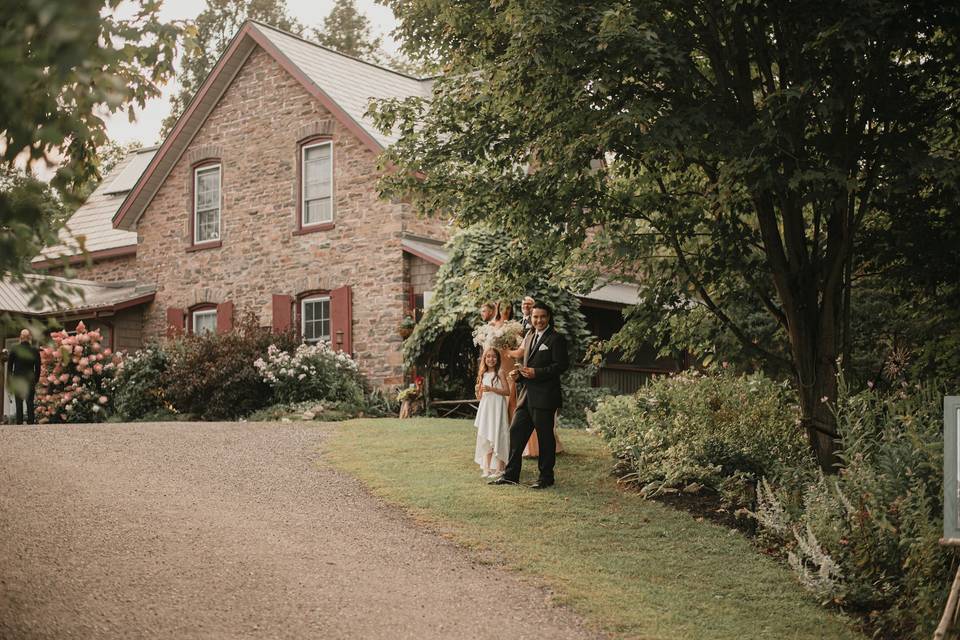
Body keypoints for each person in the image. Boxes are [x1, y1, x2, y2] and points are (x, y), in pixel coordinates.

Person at [491, 302, 569, 489]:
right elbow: (527, 364)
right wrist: (518, 375)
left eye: (542, 316)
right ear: (531, 318)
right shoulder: (530, 335)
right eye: (535, 317)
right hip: (525, 396)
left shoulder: (556, 339)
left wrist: (537, 373)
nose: (538, 320)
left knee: (545, 438)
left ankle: (546, 478)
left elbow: (561, 366)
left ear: (548, 317)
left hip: (545, 397)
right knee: (516, 432)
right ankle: (511, 476)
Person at [474, 348, 510, 478]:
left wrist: (491, 388)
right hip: (486, 408)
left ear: (497, 359)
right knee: (486, 436)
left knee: (498, 434)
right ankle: (487, 468)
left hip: (497, 407)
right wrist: (477, 391)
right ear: (484, 359)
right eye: (488, 357)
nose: (491, 359)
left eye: (494, 357)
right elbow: (479, 397)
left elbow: (507, 392)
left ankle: (500, 469)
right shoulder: (482, 374)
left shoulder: (500, 372)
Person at [6, 329, 41, 425]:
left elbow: (9, 367)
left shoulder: (14, 349)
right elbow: (38, 367)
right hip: (30, 379)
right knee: (30, 402)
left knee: (19, 402)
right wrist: (36, 380)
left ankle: (19, 422)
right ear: (30, 338)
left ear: (20, 337)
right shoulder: (34, 350)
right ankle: (30, 422)